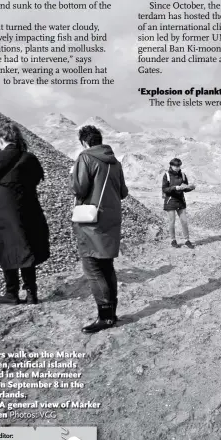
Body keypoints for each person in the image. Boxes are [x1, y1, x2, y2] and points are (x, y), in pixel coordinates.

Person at [0, 123, 50, 305]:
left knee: (5, 246)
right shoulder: (30, 158)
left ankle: (12, 293)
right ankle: (31, 292)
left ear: (2, 140)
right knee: (26, 246)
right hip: (27, 207)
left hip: (0, 210)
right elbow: (37, 179)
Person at [70, 125, 129, 333]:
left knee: (93, 268)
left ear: (84, 142)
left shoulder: (85, 157)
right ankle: (111, 313)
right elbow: (123, 192)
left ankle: (105, 317)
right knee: (106, 266)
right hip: (112, 220)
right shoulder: (116, 163)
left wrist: (73, 174)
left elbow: (78, 188)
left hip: (92, 221)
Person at [162, 158, 196, 248]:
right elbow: (164, 189)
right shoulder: (166, 175)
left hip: (180, 201)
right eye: (175, 166)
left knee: (184, 221)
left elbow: (185, 188)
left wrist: (191, 188)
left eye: (178, 166)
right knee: (172, 222)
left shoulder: (183, 175)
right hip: (170, 201)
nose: (177, 168)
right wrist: (175, 188)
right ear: (171, 165)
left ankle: (187, 240)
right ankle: (173, 240)